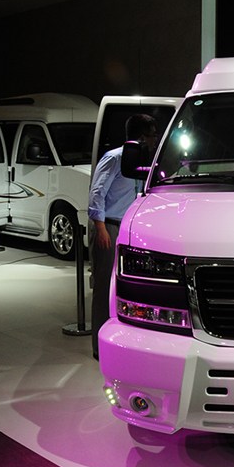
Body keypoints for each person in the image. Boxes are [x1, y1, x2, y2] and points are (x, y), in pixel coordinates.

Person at [88, 114, 158, 360]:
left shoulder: (144, 162)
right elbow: (97, 192)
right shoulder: (115, 158)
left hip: (129, 229)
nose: (154, 141)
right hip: (109, 227)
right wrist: (100, 228)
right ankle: (99, 347)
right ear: (142, 137)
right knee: (104, 287)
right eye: (152, 136)